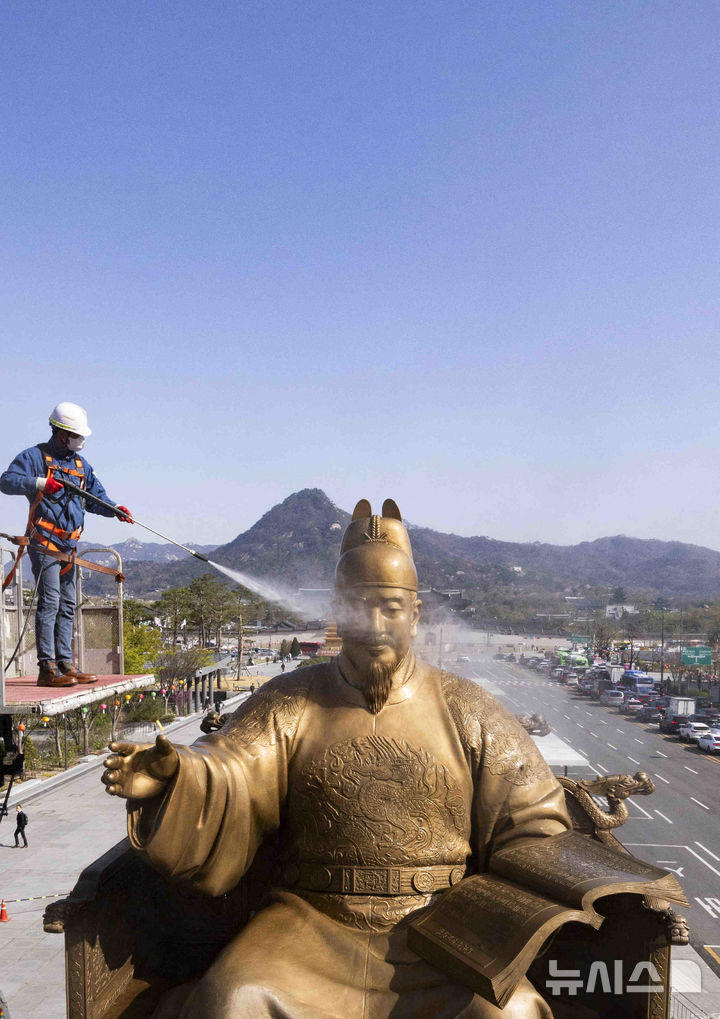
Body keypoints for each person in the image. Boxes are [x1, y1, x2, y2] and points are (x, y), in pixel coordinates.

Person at [102, 499, 570, 1017]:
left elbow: (533, 817)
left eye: (391, 607)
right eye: (359, 606)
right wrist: (177, 775)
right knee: (237, 998)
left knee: (510, 1012)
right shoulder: (290, 701)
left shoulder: (468, 708)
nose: (374, 624)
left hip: (440, 929)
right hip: (311, 919)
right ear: (337, 613)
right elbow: (233, 766)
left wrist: (496, 905)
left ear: (415, 615)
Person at [0, 402, 134, 688]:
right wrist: (39, 483)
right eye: (75, 435)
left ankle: (65, 665)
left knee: (68, 603)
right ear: (60, 433)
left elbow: (97, 496)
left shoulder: (80, 465)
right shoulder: (34, 457)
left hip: (69, 546)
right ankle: (46, 668)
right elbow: (7, 481)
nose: (79, 441)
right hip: (45, 542)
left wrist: (115, 509)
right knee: (50, 602)